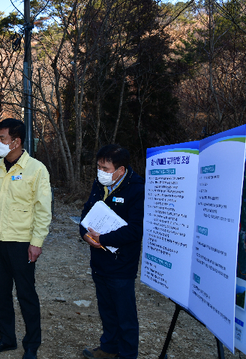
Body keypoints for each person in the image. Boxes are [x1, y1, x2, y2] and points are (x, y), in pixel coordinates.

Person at [0, 118, 52, 359]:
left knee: (25, 294)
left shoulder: (36, 169)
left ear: (16, 141)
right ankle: (7, 338)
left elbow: (43, 210)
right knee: (1, 293)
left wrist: (37, 243)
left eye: (2, 139)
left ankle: (32, 343)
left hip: (22, 243)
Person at [80, 144, 144, 359]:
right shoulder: (99, 185)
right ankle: (108, 348)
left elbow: (135, 230)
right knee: (106, 310)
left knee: (125, 315)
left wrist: (104, 239)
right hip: (99, 260)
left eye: (105, 168)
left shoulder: (137, 189)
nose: (101, 172)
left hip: (121, 263)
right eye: (99, 167)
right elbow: (86, 212)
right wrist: (84, 234)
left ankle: (127, 355)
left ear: (121, 170)